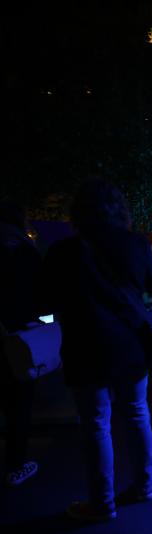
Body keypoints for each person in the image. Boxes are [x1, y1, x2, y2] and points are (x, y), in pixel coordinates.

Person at [42, 178, 152, 521]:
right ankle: (144, 486)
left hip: (84, 347)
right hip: (129, 346)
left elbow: (46, 298)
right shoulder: (135, 244)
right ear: (119, 210)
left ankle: (101, 503)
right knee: (137, 413)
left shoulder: (64, 251)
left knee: (95, 424)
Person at [0, 200, 42, 487]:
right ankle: (16, 465)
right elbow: (41, 294)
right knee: (18, 402)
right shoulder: (24, 251)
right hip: (17, 335)